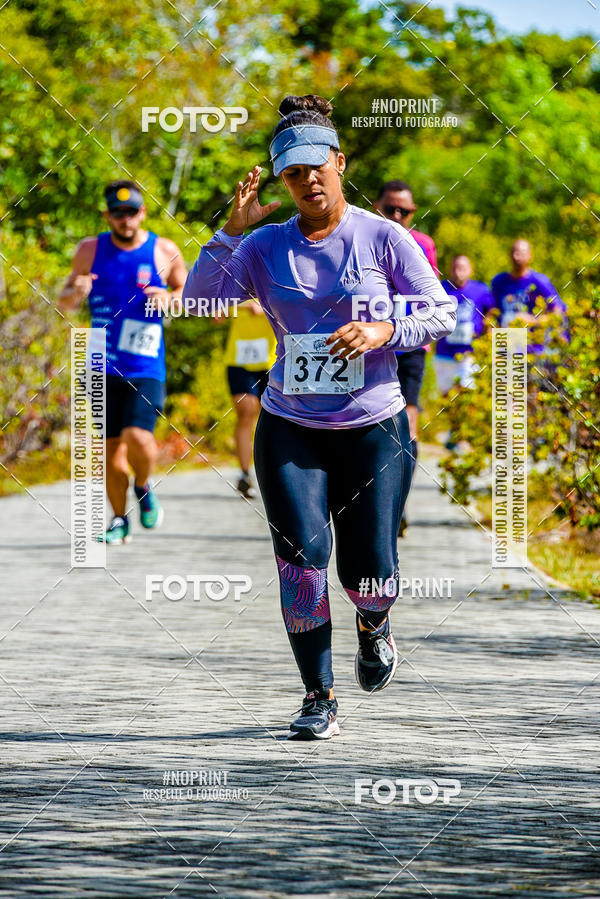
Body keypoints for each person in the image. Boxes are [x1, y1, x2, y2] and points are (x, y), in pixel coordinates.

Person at [184, 95, 456, 740]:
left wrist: (385, 330)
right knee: (301, 558)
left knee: (370, 569)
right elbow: (199, 301)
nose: (308, 181)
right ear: (282, 180)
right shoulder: (262, 245)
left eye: (317, 167)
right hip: (290, 426)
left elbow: (443, 312)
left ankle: (374, 623)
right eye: (293, 173)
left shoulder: (383, 236)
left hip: (374, 427)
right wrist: (229, 233)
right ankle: (318, 694)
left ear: (340, 162)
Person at [59, 180, 187, 544]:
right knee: (111, 450)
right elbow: (63, 301)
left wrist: (169, 299)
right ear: (107, 215)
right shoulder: (89, 250)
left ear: (142, 213)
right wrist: (75, 292)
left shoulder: (163, 250)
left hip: (146, 364)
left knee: (138, 437)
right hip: (101, 362)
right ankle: (118, 520)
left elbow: (188, 295)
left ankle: (143, 485)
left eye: (131, 212)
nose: (125, 220)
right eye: (118, 213)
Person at [373, 180, 438, 536]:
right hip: (371, 346)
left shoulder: (424, 244)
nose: (397, 215)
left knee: (407, 426)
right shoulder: (364, 237)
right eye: (390, 209)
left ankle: (398, 503)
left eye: (405, 211)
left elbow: (430, 298)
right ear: (377, 207)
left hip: (410, 346)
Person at [214, 299, 277, 498]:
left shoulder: (274, 283)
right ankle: (244, 474)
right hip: (239, 360)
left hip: (271, 361)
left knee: (274, 419)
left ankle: (276, 473)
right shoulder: (235, 286)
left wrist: (266, 308)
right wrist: (224, 309)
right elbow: (216, 315)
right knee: (246, 412)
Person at [490, 240, 566, 353]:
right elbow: (492, 312)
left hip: (533, 347)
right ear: (510, 255)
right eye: (514, 252)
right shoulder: (499, 282)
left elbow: (558, 313)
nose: (517, 256)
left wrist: (532, 321)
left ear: (530, 256)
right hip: (506, 348)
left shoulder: (539, 281)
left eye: (521, 253)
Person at [435, 255, 493, 394]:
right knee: (446, 395)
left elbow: (491, 311)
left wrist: (488, 332)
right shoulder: (441, 288)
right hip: (444, 353)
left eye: (462, 268)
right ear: (450, 270)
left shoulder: (480, 290)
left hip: (469, 353)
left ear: (470, 270)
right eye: (455, 268)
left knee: (467, 392)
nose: (458, 272)